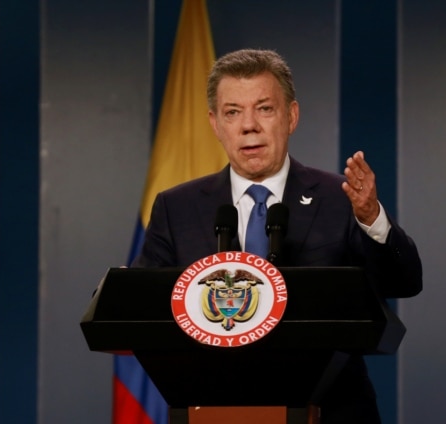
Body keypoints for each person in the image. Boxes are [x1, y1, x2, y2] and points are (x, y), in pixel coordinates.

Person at [132, 48, 422, 424]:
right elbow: (136, 307)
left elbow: (404, 281)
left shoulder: (340, 199)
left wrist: (372, 219)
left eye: (264, 109)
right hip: (213, 409)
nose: (248, 126)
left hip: (331, 411)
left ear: (291, 116)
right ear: (215, 123)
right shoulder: (177, 207)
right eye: (232, 112)